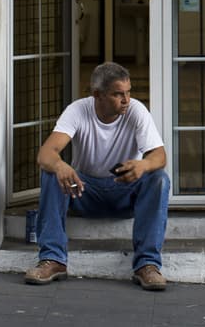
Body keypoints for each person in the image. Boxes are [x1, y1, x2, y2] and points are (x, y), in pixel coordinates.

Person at [24, 62, 170, 290]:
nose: (126, 100)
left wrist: (143, 165)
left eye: (128, 92)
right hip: (84, 191)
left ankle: (147, 264)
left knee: (159, 178)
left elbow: (160, 156)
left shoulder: (136, 111)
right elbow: (45, 154)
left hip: (124, 192)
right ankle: (53, 259)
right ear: (97, 95)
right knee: (51, 172)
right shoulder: (78, 110)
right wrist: (60, 165)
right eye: (118, 94)